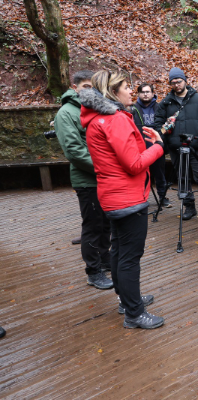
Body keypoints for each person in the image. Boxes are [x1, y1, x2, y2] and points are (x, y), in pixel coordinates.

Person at [80, 70, 165, 329]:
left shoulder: (97, 119)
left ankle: (127, 300)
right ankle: (134, 313)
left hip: (113, 195)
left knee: (118, 251)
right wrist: (158, 147)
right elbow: (133, 164)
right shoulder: (114, 119)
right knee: (129, 256)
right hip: (127, 198)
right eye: (127, 87)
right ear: (113, 92)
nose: (132, 91)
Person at [54, 70, 113, 290]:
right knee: (92, 225)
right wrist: (106, 167)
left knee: (107, 223)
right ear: (74, 87)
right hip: (87, 180)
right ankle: (93, 271)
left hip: (104, 178)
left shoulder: (93, 109)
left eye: (93, 87)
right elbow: (74, 151)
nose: (90, 91)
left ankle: (105, 260)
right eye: (86, 87)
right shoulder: (66, 113)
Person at [154, 67, 198, 223]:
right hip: (176, 147)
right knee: (183, 178)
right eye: (173, 82)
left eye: (179, 81)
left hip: (197, 146)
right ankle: (189, 207)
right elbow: (157, 125)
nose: (176, 85)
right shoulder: (166, 103)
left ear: (185, 81)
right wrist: (167, 136)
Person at [131, 83, 171, 208]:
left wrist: (162, 141)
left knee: (159, 173)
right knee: (141, 174)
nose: (146, 94)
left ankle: (163, 197)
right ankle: (141, 198)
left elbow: (166, 126)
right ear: (138, 94)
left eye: (148, 91)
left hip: (157, 146)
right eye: (143, 92)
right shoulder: (133, 109)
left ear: (153, 93)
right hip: (141, 147)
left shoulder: (160, 107)